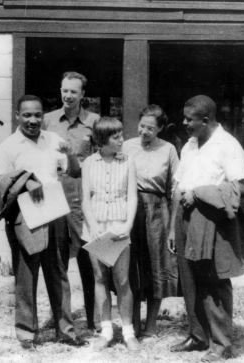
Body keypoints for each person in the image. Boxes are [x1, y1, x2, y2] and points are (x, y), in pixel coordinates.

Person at [0, 95, 87, 350]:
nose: (33, 120)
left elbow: (73, 172)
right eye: (27, 115)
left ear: (43, 116)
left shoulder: (53, 140)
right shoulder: (9, 146)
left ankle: (66, 330)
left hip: (54, 213)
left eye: (37, 115)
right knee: (26, 275)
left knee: (58, 273)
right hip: (25, 217)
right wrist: (26, 179)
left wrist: (72, 155)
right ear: (17, 115)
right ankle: (26, 333)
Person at [168, 95, 244, 362]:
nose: (184, 123)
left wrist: (200, 193)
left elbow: (241, 186)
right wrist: (172, 228)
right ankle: (198, 335)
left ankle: (221, 345)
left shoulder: (228, 146)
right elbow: (178, 189)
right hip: (185, 218)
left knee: (214, 281)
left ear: (205, 120)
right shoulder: (189, 146)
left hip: (212, 221)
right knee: (189, 279)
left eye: (188, 119)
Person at [44, 71, 99, 331]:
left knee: (89, 258)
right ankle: (62, 321)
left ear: (82, 95)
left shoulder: (94, 122)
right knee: (58, 261)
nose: (67, 96)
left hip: (82, 198)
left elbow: (101, 161)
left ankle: (95, 320)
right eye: (64, 90)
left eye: (73, 92)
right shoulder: (47, 120)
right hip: (55, 197)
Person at [81, 117, 140, 351]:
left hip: (119, 227)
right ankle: (106, 330)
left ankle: (128, 332)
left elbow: (132, 196)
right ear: (103, 140)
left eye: (121, 135)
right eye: (116, 137)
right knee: (99, 278)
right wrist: (93, 225)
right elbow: (86, 199)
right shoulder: (88, 163)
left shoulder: (128, 161)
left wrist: (127, 225)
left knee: (122, 280)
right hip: (96, 228)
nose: (122, 140)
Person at [122, 105, 179, 338]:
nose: (144, 131)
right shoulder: (127, 146)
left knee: (157, 266)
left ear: (161, 129)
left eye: (151, 128)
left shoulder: (169, 150)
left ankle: (152, 324)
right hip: (129, 210)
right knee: (131, 266)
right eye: (142, 126)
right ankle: (132, 322)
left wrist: (173, 226)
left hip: (157, 211)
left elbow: (175, 189)